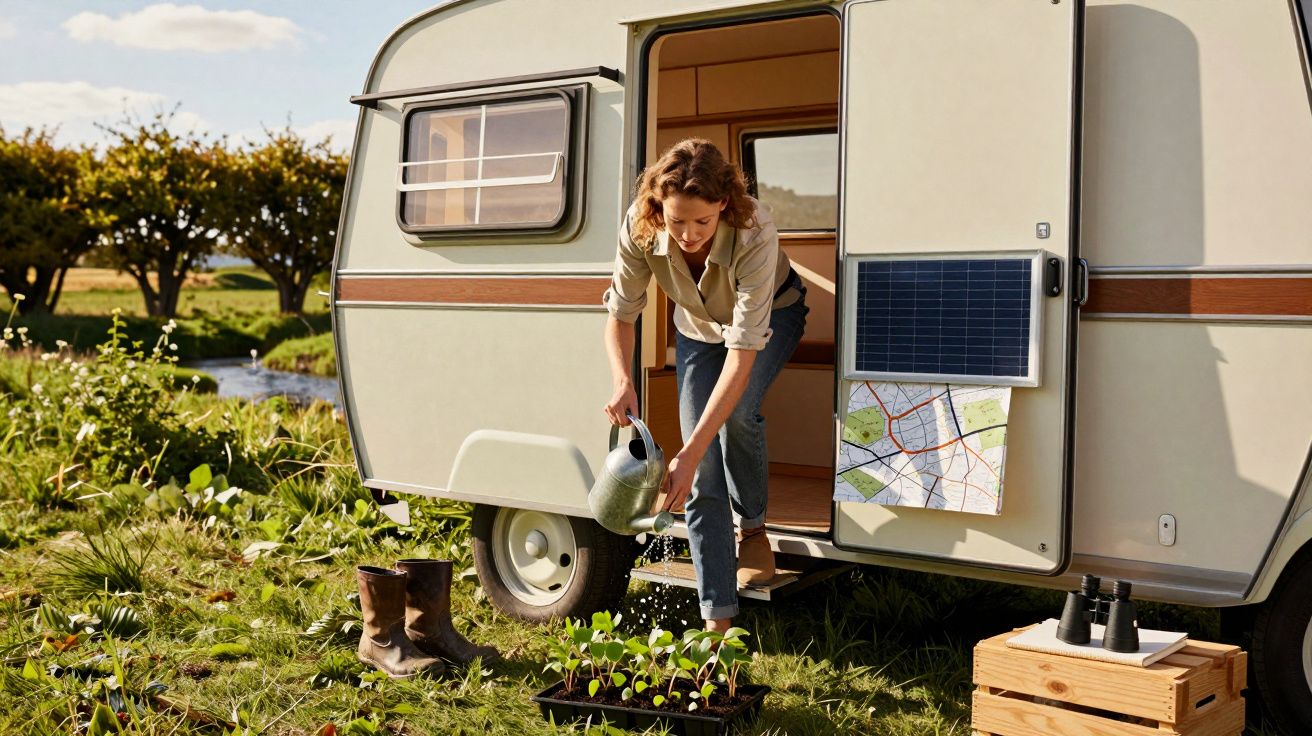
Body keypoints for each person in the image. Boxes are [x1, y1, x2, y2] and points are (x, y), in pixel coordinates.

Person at [601, 138, 808, 632]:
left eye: (702, 222)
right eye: (676, 221)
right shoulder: (639, 223)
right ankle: (718, 623)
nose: (689, 235)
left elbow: (741, 354)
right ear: (657, 207)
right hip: (697, 328)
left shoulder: (754, 228)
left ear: (723, 205)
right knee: (702, 474)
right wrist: (623, 379)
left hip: (769, 319)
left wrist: (687, 451)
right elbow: (621, 313)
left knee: (731, 419)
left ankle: (753, 530)